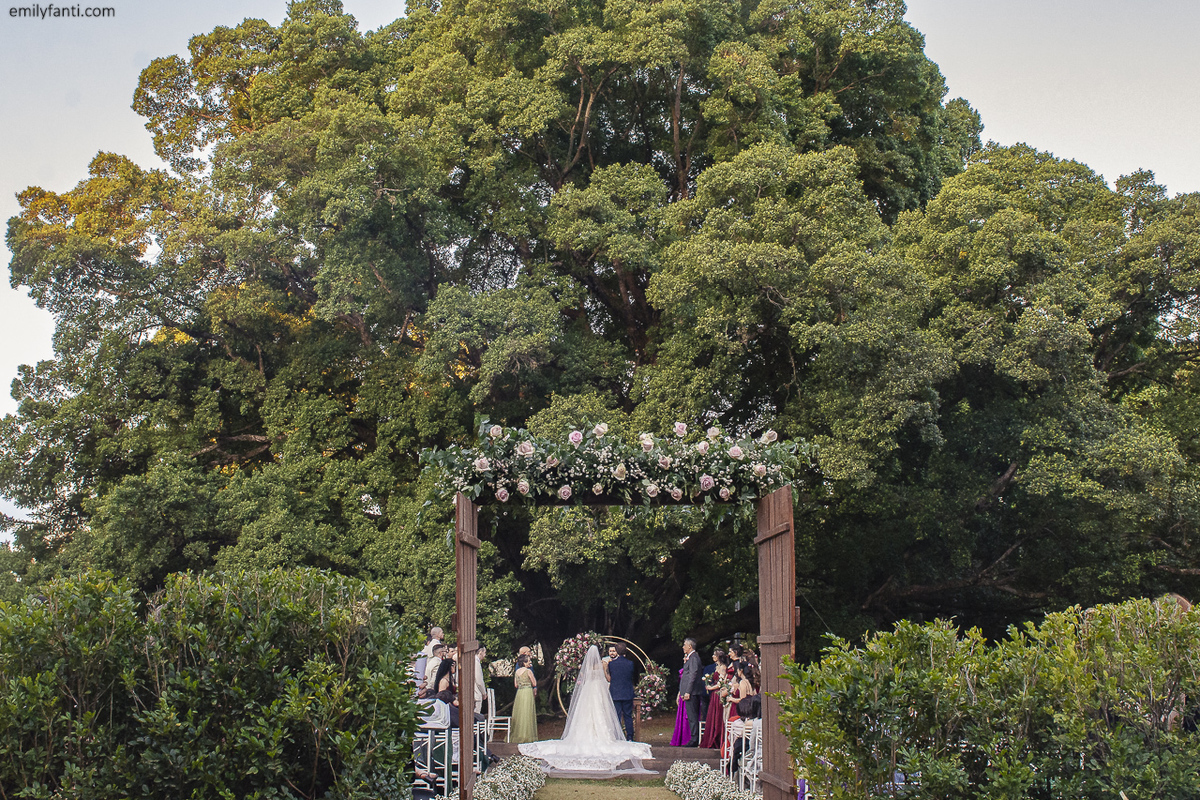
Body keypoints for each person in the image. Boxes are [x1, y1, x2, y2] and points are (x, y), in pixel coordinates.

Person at [519, 645, 653, 774]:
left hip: (588, 689)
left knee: (585, 713)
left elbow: (583, 677)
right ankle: (622, 736)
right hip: (599, 689)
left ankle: (583, 734)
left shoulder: (588, 665)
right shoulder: (604, 664)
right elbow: (607, 678)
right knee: (602, 711)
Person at [700, 649, 732, 749]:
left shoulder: (722, 667)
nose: (713, 656)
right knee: (711, 714)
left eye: (715, 655)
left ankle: (716, 738)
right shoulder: (716, 667)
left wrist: (711, 688)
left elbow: (721, 682)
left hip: (717, 693)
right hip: (714, 694)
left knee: (717, 714)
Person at [606, 642, 636, 741]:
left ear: (617, 651)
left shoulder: (611, 664)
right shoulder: (630, 663)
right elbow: (631, 676)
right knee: (628, 715)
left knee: (616, 716)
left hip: (615, 692)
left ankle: (618, 736)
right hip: (627, 692)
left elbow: (611, 676)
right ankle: (630, 736)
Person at [678, 637, 704, 747]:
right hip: (690, 691)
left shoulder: (693, 658)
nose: (683, 647)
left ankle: (694, 739)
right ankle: (694, 737)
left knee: (692, 716)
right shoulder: (690, 657)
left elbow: (693, 675)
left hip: (692, 692)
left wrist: (688, 691)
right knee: (691, 715)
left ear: (690, 646)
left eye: (684, 645)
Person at [511, 653, 539, 743]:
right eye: (529, 661)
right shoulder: (528, 671)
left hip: (520, 693)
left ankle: (517, 735)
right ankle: (527, 736)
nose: (530, 662)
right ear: (524, 662)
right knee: (527, 712)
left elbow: (515, 685)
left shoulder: (517, 672)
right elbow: (534, 683)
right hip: (527, 692)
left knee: (520, 713)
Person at [473, 646, 488, 715]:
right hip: (476, 693)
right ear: (480, 652)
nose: (485, 655)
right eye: (484, 653)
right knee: (476, 716)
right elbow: (479, 681)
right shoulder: (476, 662)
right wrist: (484, 693)